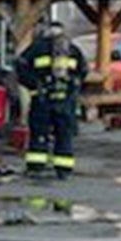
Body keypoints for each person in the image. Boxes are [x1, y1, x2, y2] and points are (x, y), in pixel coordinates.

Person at [18, 21, 87, 180]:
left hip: (42, 100)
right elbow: (82, 71)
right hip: (65, 101)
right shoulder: (72, 50)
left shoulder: (36, 48)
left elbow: (21, 66)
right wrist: (73, 88)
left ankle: (36, 167)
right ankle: (64, 169)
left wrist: (33, 85)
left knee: (39, 133)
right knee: (64, 135)